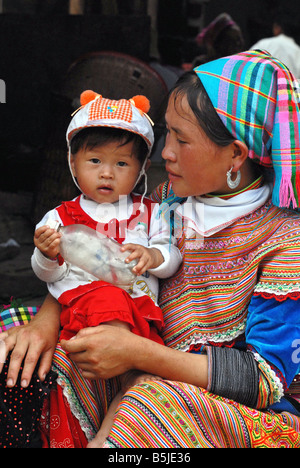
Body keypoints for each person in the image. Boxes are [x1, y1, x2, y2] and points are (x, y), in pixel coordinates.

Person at [1, 49, 300, 448]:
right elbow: (97, 265)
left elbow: (262, 381)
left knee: (148, 401)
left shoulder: (285, 241)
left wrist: (137, 353)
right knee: (17, 344)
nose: (164, 153)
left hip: (237, 414)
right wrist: (44, 323)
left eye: (181, 138)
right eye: (167, 133)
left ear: (236, 154)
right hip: (139, 366)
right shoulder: (164, 203)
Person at [30, 90, 181, 447]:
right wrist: (47, 256)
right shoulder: (60, 217)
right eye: (95, 160)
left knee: (142, 379)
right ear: (73, 162)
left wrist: (153, 257)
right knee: (104, 296)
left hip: (140, 311)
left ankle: (112, 424)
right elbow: (50, 277)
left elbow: (171, 253)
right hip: (87, 309)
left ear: (142, 168)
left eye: (122, 164)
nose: (107, 174)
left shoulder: (151, 211)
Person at [251, 10, 300, 78]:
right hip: (290, 87)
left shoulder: (263, 44)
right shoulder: (297, 51)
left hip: (262, 87)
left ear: (278, 28)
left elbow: (246, 64)